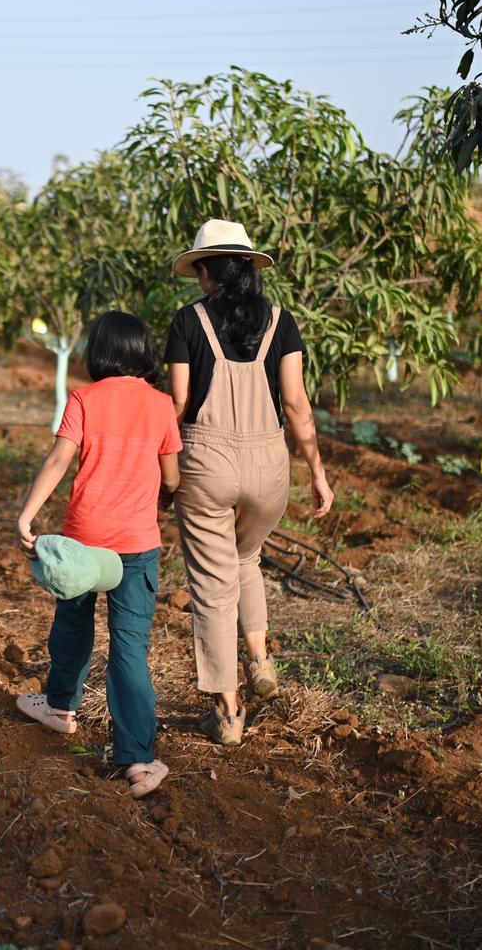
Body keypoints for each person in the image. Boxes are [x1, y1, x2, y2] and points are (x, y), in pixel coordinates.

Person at [165, 220, 333, 746]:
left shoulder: (187, 322)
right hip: (269, 464)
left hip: (207, 461)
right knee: (247, 560)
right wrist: (318, 473)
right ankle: (260, 658)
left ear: (207, 270)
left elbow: (176, 404)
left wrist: (159, 467)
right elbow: (297, 404)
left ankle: (229, 714)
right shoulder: (282, 323)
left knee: (214, 588)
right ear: (248, 266)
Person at [15, 310, 182, 798]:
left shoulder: (84, 398)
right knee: (128, 648)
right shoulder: (161, 404)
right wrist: (162, 496)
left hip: (84, 542)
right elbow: (171, 478)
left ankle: (61, 708)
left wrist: (26, 516)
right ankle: (139, 761)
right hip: (136, 545)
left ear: (99, 352)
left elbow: (58, 460)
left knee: (72, 624)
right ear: (142, 352)